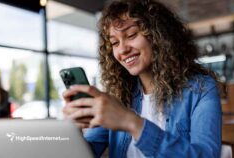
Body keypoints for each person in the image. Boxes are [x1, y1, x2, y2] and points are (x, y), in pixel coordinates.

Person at [63, 0, 222, 157]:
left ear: (159, 36)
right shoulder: (118, 95)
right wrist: (72, 130)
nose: (122, 50)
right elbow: (86, 153)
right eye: (114, 42)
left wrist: (131, 122)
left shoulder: (201, 89)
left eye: (131, 35)